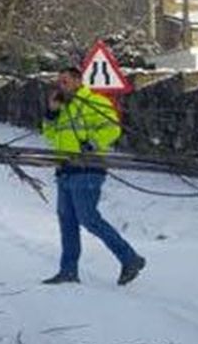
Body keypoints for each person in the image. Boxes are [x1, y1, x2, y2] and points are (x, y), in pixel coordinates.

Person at [39, 66, 146, 286]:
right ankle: (68, 271)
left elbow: (113, 129)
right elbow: (50, 136)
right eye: (59, 81)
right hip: (65, 170)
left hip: (87, 169)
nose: (61, 85)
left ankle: (130, 258)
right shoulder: (62, 106)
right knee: (67, 221)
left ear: (79, 81)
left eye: (66, 81)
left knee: (88, 218)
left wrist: (92, 143)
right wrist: (51, 113)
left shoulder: (95, 102)